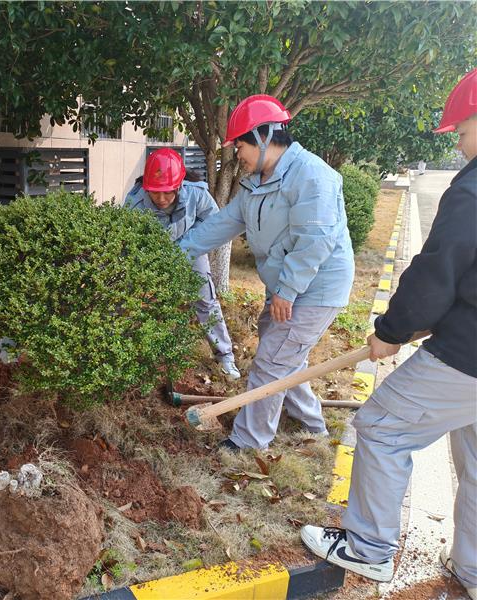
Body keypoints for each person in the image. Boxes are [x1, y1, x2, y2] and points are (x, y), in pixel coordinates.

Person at [300, 69, 477, 598]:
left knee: (380, 427)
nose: (461, 143)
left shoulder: (472, 191)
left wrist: (392, 330)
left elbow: (436, 272)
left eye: (463, 131)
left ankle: (368, 548)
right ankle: (472, 568)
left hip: (468, 355)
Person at [178, 95, 355, 452]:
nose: (237, 154)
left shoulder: (312, 176)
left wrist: (287, 291)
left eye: (240, 145)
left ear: (263, 137)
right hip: (285, 286)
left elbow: (315, 241)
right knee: (285, 356)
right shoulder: (256, 183)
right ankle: (311, 424)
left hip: (315, 288)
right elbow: (221, 225)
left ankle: (248, 442)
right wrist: (173, 254)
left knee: (272, 361)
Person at [124, 148, 240, 379]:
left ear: (179, 185)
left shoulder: (196, 194)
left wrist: (188, 245)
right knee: (147, 303)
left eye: (168, 192)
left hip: (192, 250)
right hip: (153, 255)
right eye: (155, 193)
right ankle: (143, 356)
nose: (161, 199)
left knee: (206, 301)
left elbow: (213, 223)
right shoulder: (135, 203)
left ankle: (225, 356)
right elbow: (129, 240)